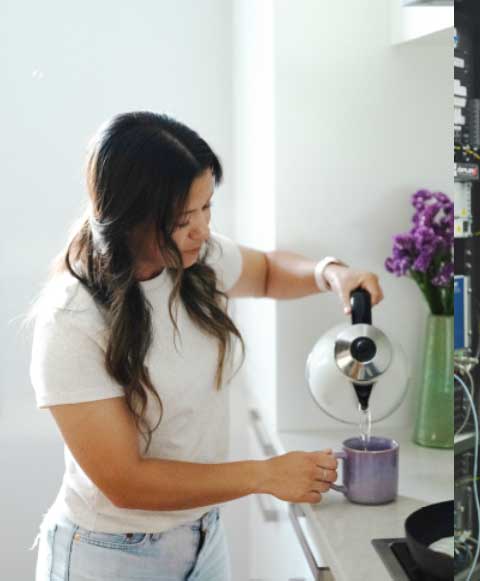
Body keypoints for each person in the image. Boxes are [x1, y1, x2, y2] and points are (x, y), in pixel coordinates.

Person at [28, 111, 384, 580]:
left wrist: (330, 273)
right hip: (110, 556)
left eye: (206, 208)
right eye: (182, 219)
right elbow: (126, 482)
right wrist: (265, 475)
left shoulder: (194, 258)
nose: (201, 230)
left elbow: (267, 272)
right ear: (129, 220)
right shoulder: (71, 320)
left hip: (202, 538)